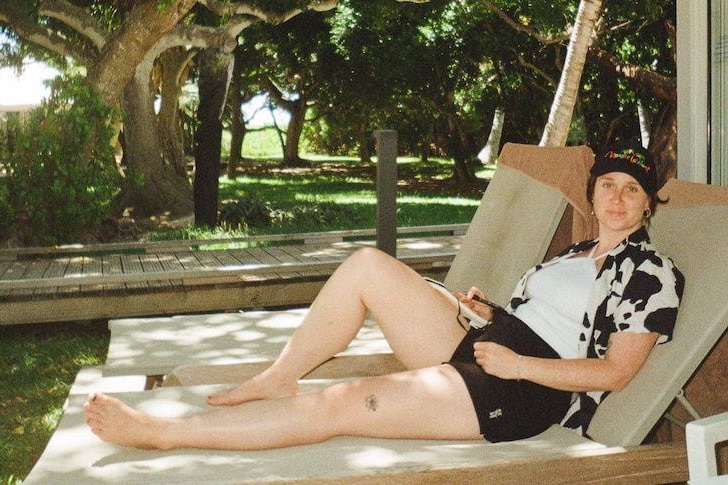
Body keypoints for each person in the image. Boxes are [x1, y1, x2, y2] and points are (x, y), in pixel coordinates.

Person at [85, 140, 684, 450]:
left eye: (631, 189)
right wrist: (486, 313)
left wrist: (517, 363)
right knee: (368, 264)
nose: (616, 197)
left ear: (647, 203)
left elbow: (615, 373)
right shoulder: (573, 253)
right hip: (492, 340)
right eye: (607, 184)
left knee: (345, 403)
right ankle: (280, 375)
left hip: (529, 386)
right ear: (594, 190)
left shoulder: (652, 273)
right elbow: (540, 316)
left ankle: (163, 434)